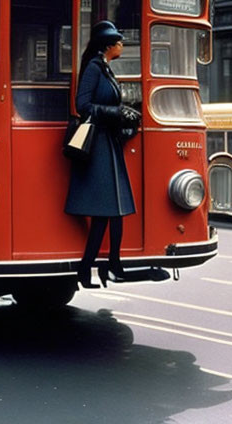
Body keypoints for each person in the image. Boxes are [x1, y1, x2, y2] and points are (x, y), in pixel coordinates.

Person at [65, 20, 141, 288]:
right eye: (119, 41)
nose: (122, 45)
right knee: (108, 211)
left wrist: (125, 112)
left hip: (107, 142)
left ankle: (101, 268)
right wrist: (115, 113)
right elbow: (82, 105)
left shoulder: (106, 68)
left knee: (112, 211)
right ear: (108, 45)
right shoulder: (95, 68)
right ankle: (104, 268)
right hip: (97, 144)